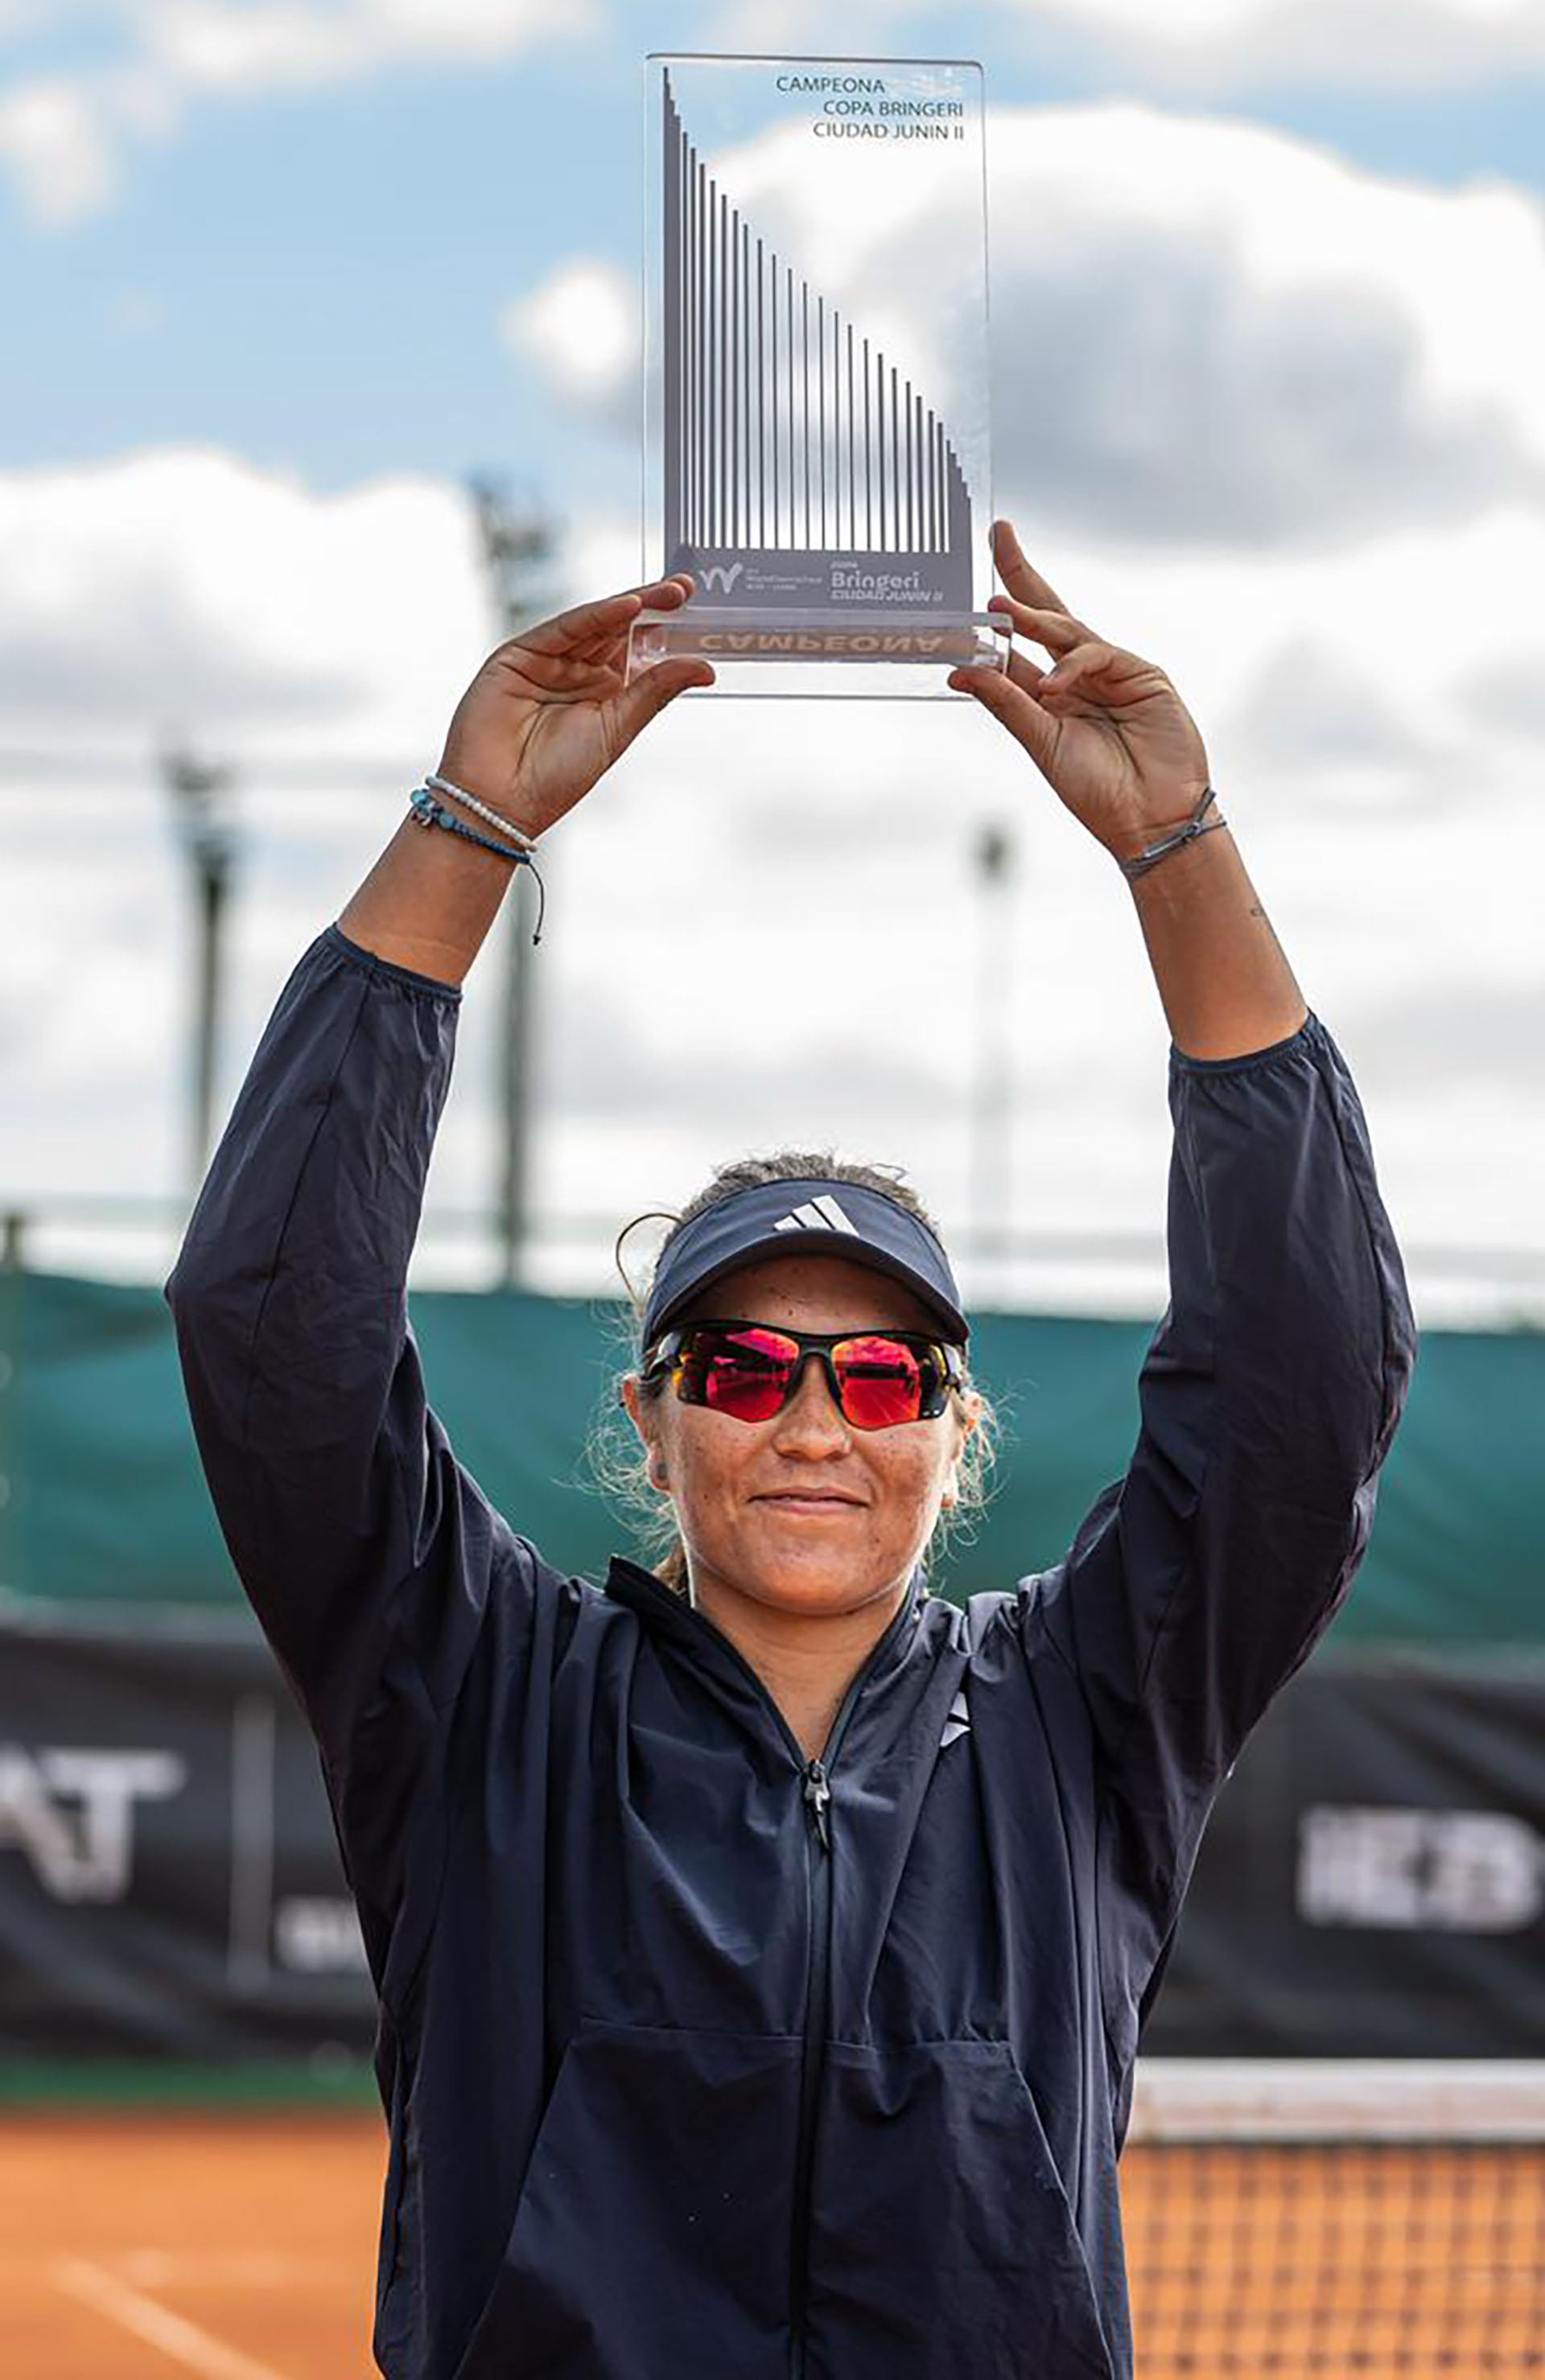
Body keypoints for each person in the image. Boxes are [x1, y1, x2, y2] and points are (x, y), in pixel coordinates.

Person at [167, 525, 1415, 2380]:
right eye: (746, 1368)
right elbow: (279, 1331)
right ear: (651, 1416)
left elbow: (1305, 1382)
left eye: (884, 1377)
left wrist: (1180, 858)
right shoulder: (478, 1690)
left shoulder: (1090, 1710)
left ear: (950, 1427)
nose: (818, 1421)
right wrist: (464, 833)